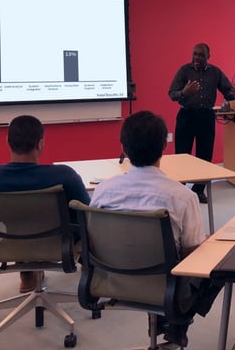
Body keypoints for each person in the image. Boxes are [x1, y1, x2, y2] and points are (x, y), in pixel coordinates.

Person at [90, 110, 218, 347]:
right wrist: (210, 244)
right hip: (165, 288)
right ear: (163, 147)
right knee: (214, 251)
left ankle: (167, 322)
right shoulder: (182, 196)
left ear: (124, 150)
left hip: (110, 280)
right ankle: (177, 321)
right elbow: (190, 253)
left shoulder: (102, 191)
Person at [0, 115, 90, 294]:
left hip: (13, 244)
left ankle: (27, 272)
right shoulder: (64, 176)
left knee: (20, 224)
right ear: (40, 143)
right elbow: (87, 213)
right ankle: (89, 269)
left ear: (8, 142)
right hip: (60, 245)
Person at [168, 43, 235, 203]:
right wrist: (184, 92)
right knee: (182, 155)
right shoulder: (184, 70)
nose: (197, 58)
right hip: (186, 115)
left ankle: (199, 190)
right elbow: (172, 94)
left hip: (206, 116)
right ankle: (180, 190)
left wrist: (234, 94)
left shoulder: (215, 72)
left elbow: (228, 93)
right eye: (195, 54)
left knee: (205, 155)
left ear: (208, 57)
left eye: (201, 55)